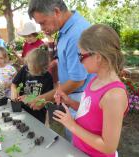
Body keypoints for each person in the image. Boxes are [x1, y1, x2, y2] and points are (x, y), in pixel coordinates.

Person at [53, 24, 128, 157]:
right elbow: (89, 110)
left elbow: (108, 147)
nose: (80, 61)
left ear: (98, 56)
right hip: (80, 150)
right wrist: (70, 102)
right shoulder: (95, 80)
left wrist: (72, 126)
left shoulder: (114, 95)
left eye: (81, 56)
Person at [28, 0, 94, 141]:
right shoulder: (65, 29)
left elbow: (77, 80)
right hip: (72, 96)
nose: (41, 28)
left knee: (79, 146)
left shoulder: (76, 34)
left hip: (80, 97)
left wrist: (44, 98)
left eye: (42, 22)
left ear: (56, 12)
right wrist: (56, 63)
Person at [11, 46, 53, 123]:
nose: (30, 71)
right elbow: (14, 84)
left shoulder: (48, 78)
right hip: (21, 109)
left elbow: (46, 100)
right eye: (29, 68)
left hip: (38, 115)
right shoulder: (25, 69)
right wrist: (14, 92)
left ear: (44, 68)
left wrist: (30, 99)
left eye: (34, 70)